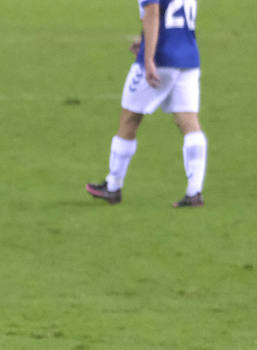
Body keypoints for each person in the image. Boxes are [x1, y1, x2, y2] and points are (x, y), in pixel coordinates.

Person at [85, 0, 206, 207]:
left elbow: (153, 13)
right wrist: (145, 41)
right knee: (189, 122)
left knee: (129, 119)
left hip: (161, 60)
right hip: (188, 59)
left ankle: (113, 186)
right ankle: (194, 192)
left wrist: (149, 57)